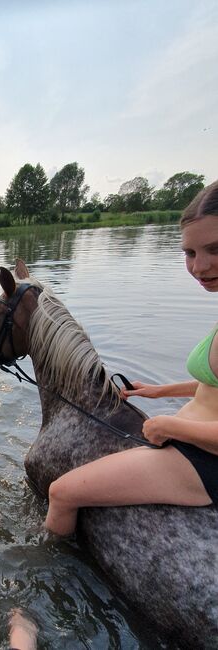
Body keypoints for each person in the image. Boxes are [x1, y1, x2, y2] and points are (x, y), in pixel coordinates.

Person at [45, 180, 218, 536]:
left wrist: (169, 426)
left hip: (205, 461)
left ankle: (48, 563)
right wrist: (156, 392)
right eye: (189, 253)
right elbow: (212, 383)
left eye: (214, 249)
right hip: (194, 441)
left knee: (61, 492)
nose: (199, 266)